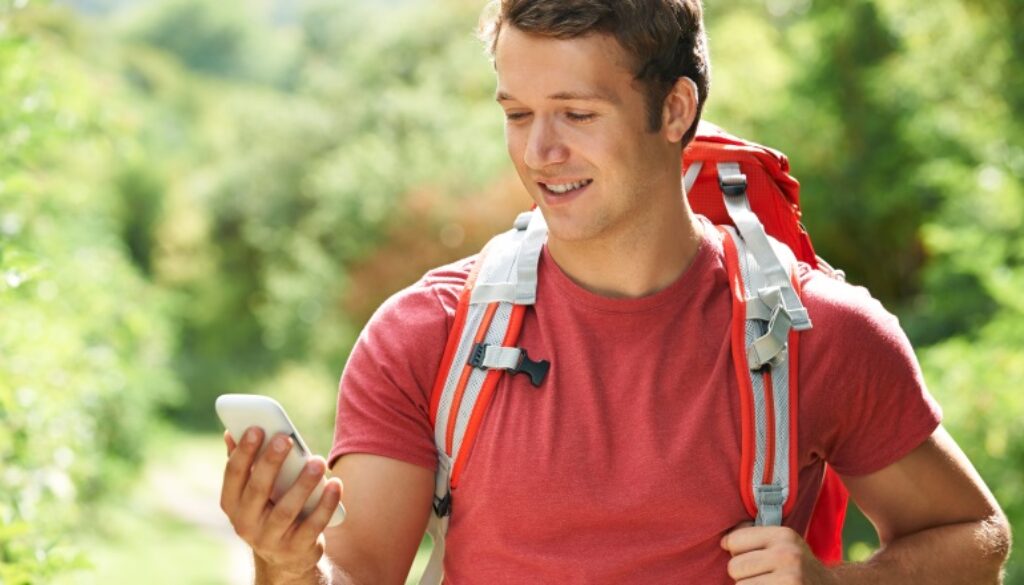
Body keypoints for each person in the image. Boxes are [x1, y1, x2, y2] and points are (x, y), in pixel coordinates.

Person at [219, 1, 1011, 583]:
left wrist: (833, 582)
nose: (540, 151)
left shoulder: (814, 333)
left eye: (576, 113)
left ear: (674, 109)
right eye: (518, 112)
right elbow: (353, 575)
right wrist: (284, 563)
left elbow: (977, 535)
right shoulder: (426, 334)